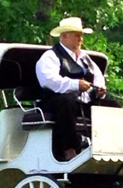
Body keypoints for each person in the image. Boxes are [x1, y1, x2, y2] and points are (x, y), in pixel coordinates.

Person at [36, 17, 116, 161]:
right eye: (76, 34)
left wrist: (100, 91)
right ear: (64, 36)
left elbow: (98, 78)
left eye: (81, 34)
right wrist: (75, 84)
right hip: (54, 102)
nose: (80, 38)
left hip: (83, 103)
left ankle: (108, 149)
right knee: (66, 102)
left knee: (113, 106)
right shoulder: (50, 56)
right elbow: (49, 80)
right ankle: (69, 149)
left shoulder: (86, 58)